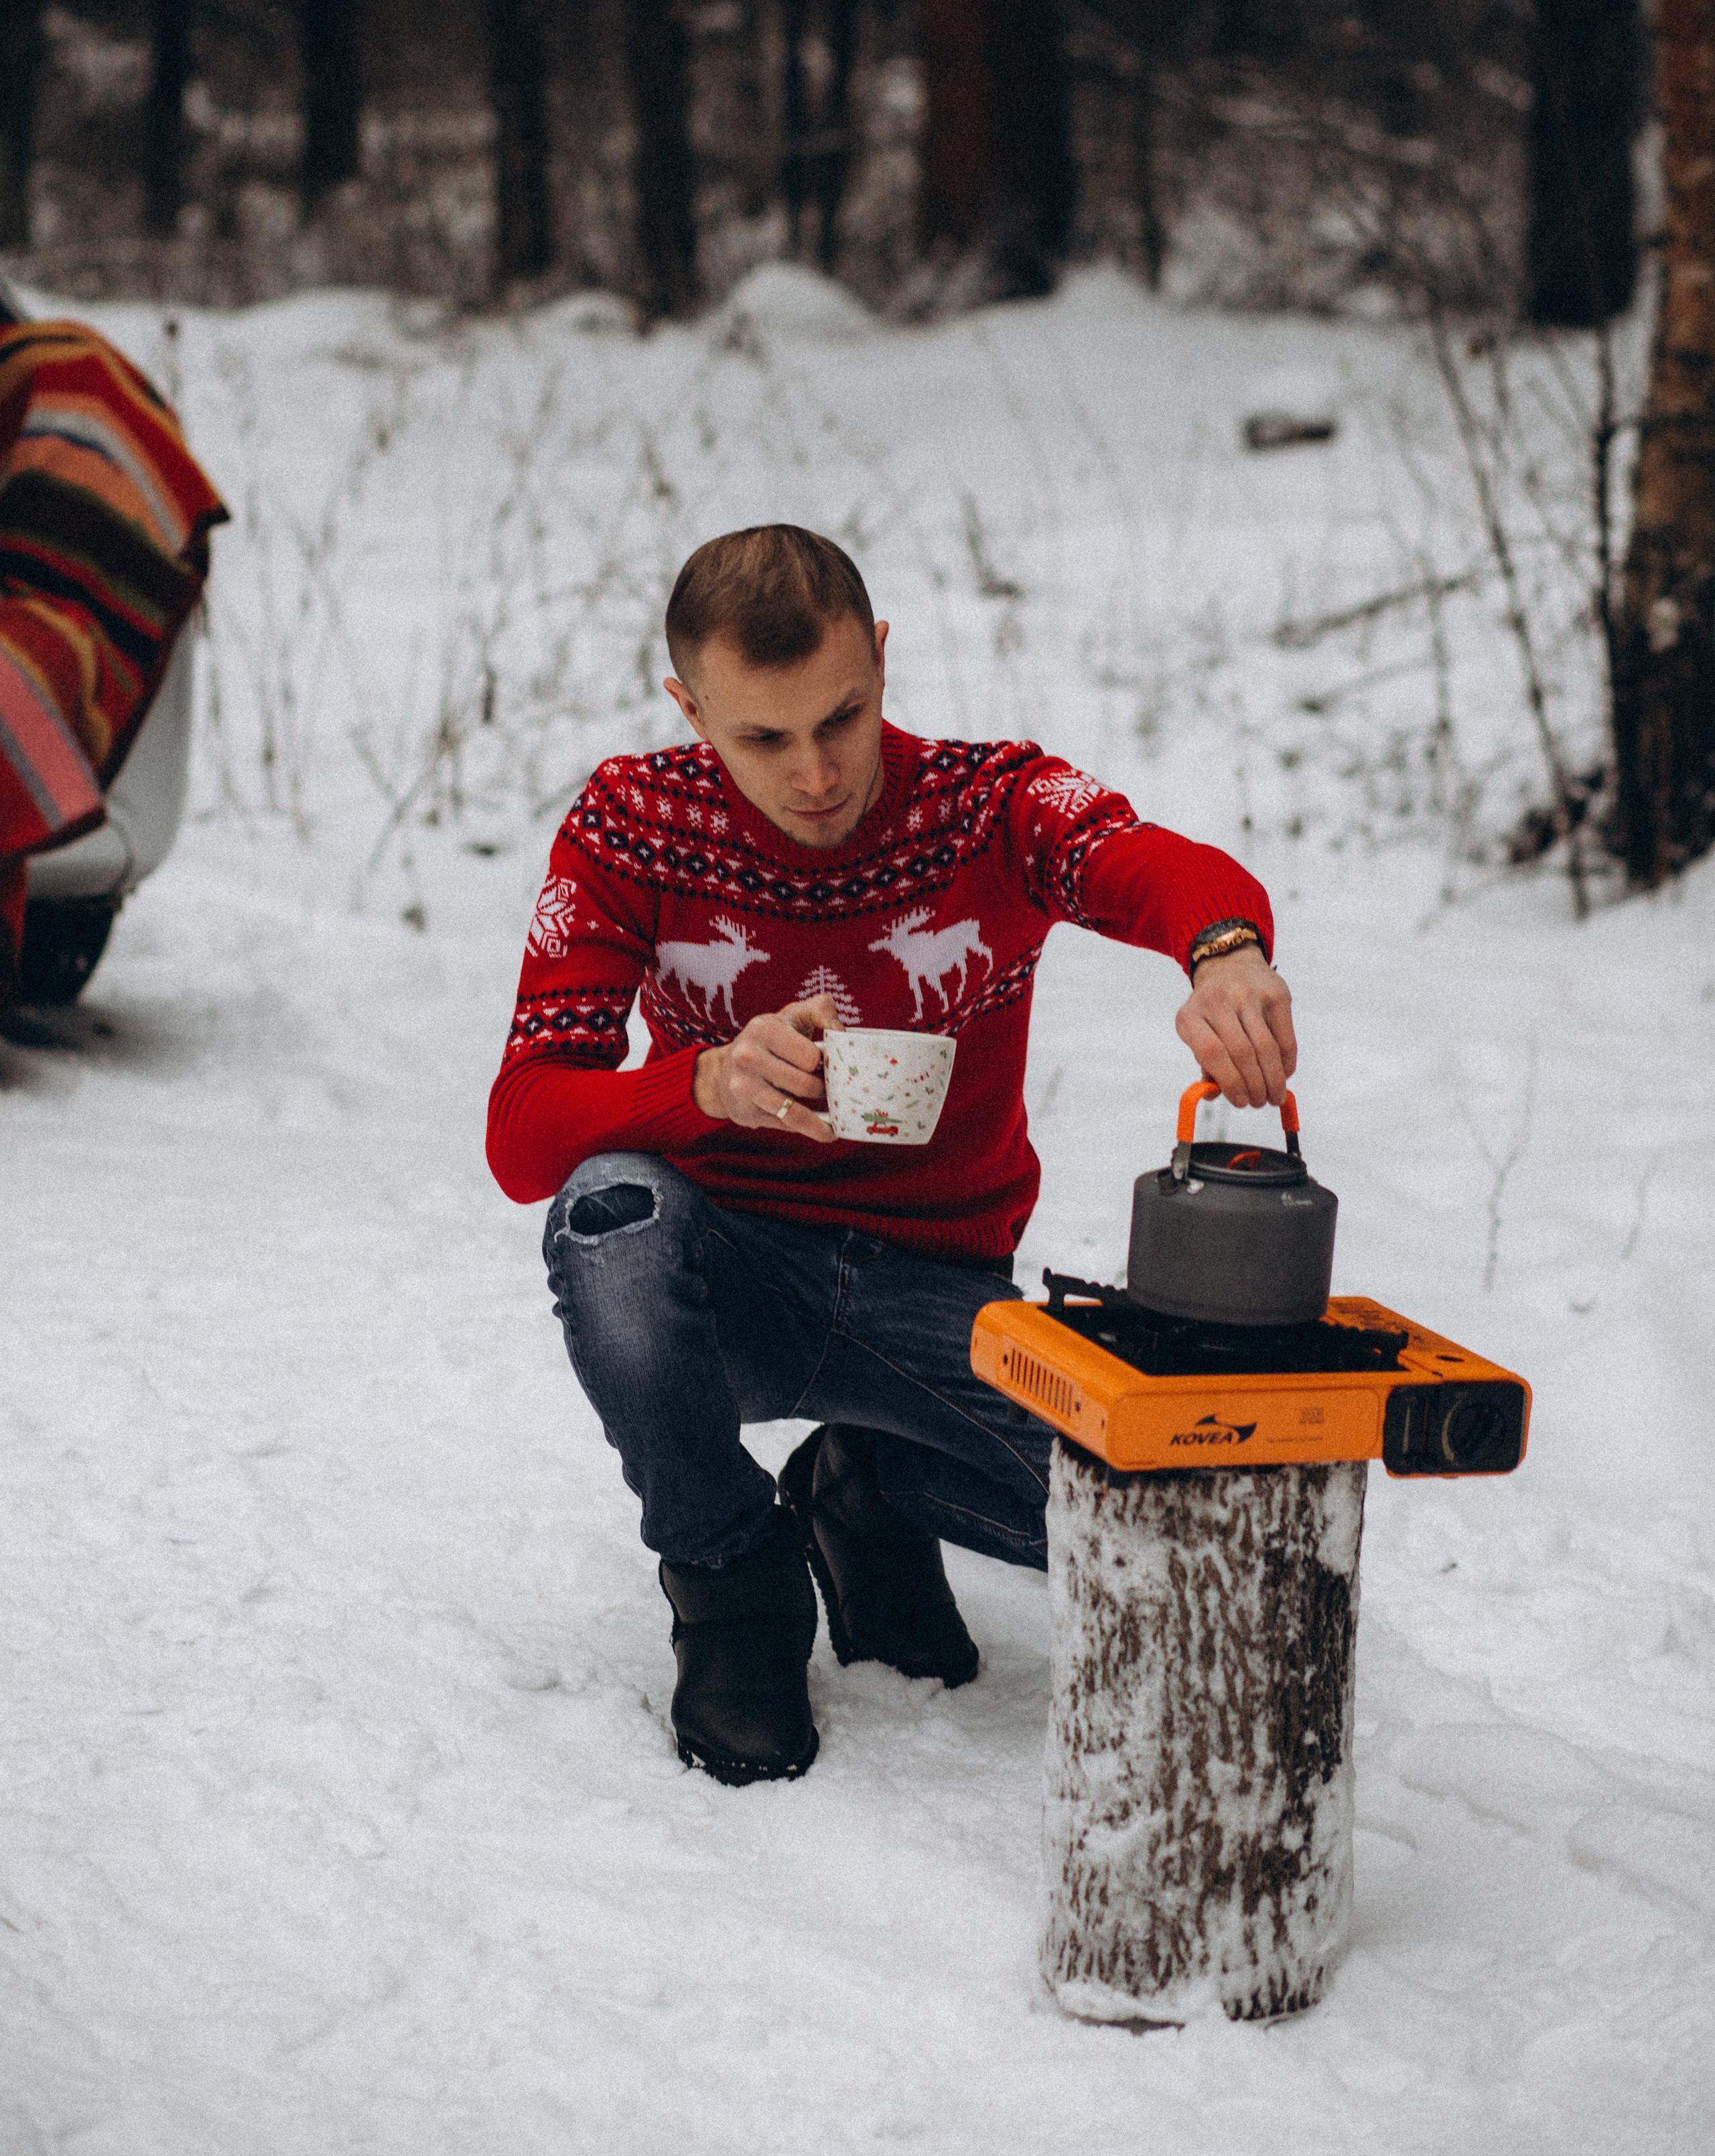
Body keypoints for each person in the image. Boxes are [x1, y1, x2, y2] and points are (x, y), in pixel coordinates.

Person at [487, 525, 1296, 1787]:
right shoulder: (632, 825)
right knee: (608, 1211)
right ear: (688, 708)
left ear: (879, 656)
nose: (813, 771)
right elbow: (523, 1128)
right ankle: (731, 1582)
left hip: (940, 1294)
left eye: (842, 716)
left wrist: (1225, 945)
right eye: (761, 737)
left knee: (1154, 1525)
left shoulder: (988, 801)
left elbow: (1143, 860)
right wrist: (704, 1081)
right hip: (727, 1276)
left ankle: (868, 1486)